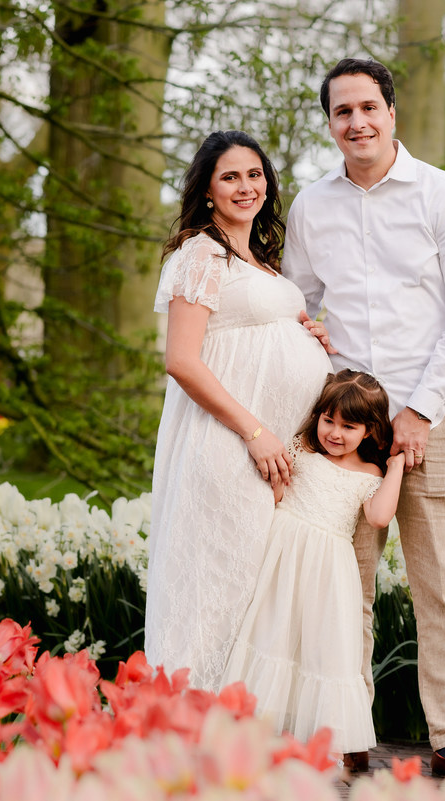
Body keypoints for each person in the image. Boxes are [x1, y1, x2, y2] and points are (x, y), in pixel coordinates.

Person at [283, 58, 445, 781]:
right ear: (331, 122)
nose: (357, 122)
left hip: (433, 413)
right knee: (347, 586)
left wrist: (419, 408)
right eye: (342, 112)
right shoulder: (312, 207)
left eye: (368, 107)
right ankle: (348, 734)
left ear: (392, 111)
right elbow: (298, 302)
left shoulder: (444, 197)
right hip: (345, 427)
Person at [144, 130, 333, 691]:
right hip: (228, 447)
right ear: (206, 190)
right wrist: (256, 432)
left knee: (252, 595)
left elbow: (251, 335)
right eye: (230, 176)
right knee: (214, 588)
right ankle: (184, 724)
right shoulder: (201, 252)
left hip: (269, 453)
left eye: (255, 174)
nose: (246, 186)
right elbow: (181, 360)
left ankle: (236, 736)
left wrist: (306, 336)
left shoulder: (258, 259)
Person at [221, 369, 406, 758]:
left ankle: (318, 743)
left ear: (370, 431)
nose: (335, 433)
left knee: (318, 647)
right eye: (328, 420)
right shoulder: (303, 449)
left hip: (327, 569)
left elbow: (379, 517)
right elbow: (277, 492)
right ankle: (253, 732)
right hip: (283, 554)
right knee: (272, 631)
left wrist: (397, 466)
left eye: (349, 426)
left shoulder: (369, 473)